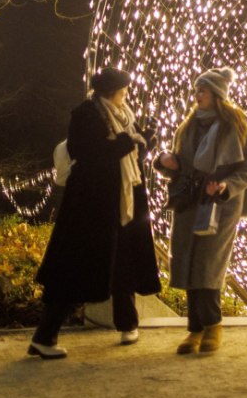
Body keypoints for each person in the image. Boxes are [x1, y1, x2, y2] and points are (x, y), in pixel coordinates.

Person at [30, 67, 162, 359]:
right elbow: (88, 152)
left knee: (123, 262)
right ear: (112, 91)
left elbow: (132, 150)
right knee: (73, 268)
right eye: (123, 90)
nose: (127, 95)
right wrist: (129, 142)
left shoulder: (124, 114)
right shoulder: (86, 114)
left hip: (123, 204)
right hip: (91, 207)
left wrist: (146, 138)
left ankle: (127, 323)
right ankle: (44, 336)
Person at [154, 67, 247, 355]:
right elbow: (180, 163)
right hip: (189, 202)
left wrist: (225, 186)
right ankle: (194, 330)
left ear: (216, 94)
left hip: (220, 205)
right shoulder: (187, 126)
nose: (196, 95)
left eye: (202, 90)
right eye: (196, 90)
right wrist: (166, 162)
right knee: (187, 262)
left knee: (208, 264)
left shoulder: (236, 124)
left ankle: (212, 326)